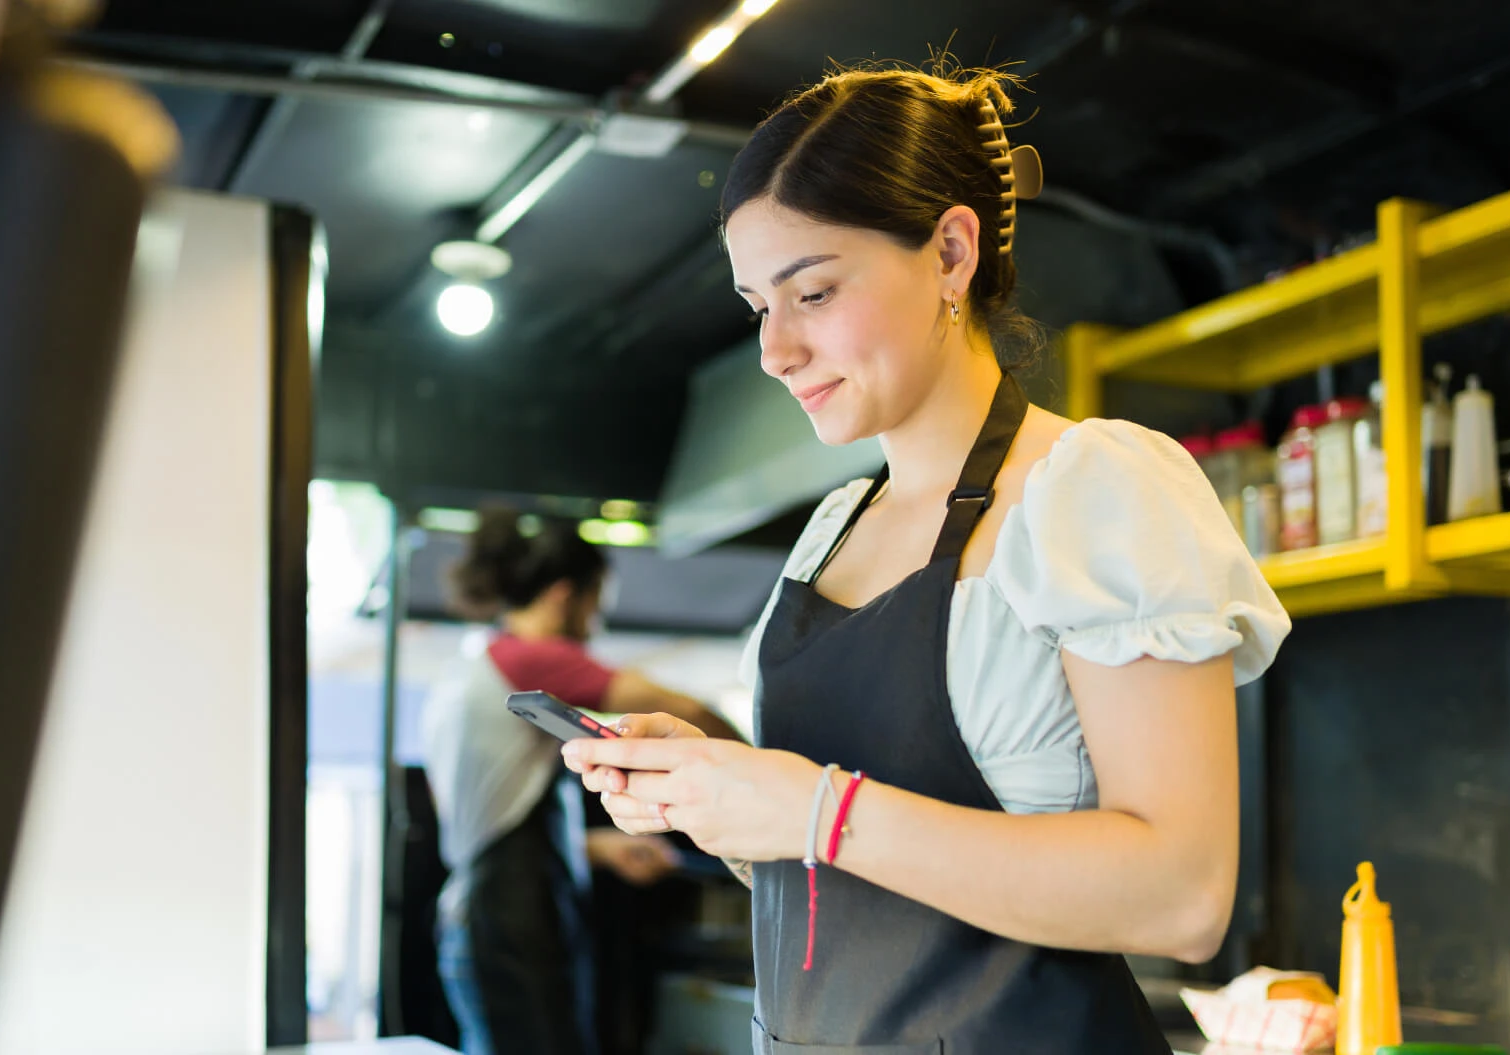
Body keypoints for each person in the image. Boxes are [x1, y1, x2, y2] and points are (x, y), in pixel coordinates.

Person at [562, 64, 1292, 1053]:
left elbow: (1183, 896)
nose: (775, 350)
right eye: (756, 306)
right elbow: (838, 878)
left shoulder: (1090, 488)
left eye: (812, 290)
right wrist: (716, 795)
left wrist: (816, 806)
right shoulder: (830, 530)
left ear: (950, 250)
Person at [420, 507, 739, 1055]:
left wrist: (592, 848)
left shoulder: (468, 667)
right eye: (596, 603)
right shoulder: (531, 659)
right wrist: (762, 767)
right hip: (514, 923)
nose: (596, 623)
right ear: (565, 594)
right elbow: (679, 709)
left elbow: (493, 822)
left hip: (473, 917)